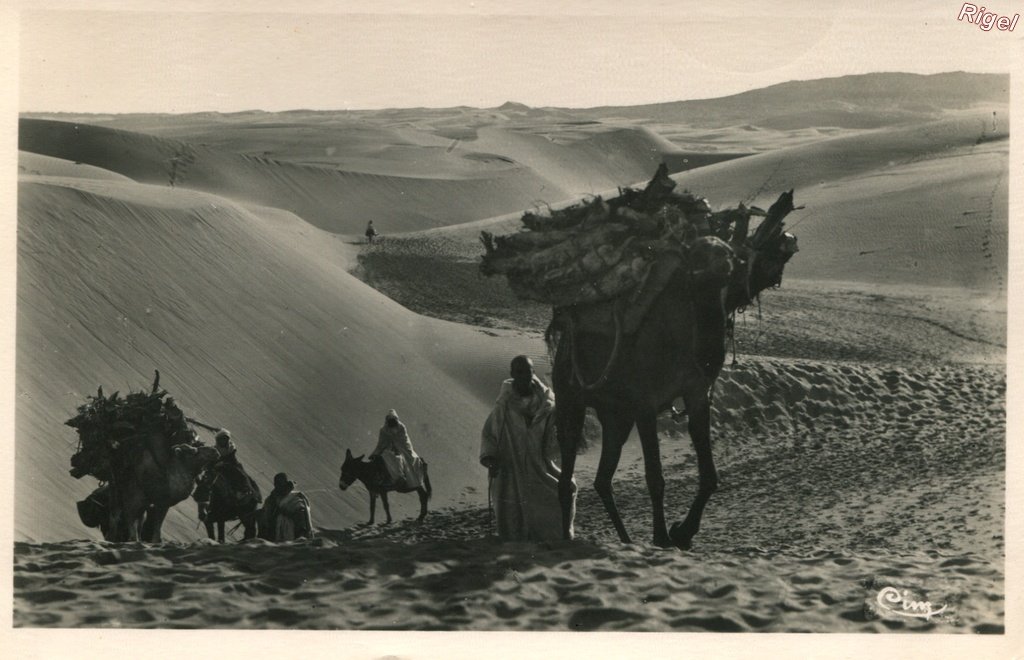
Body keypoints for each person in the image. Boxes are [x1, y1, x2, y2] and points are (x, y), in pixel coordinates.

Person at [480, 355, 576, 542]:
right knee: (512, 512)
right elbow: (489, 434)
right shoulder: (504, 405)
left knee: (565, 490)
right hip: (511, 467)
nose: (525, 376)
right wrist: (489, 458)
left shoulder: (548, 403)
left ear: (533, 373)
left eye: (529, 372)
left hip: (540, 464)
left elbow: (560, 432)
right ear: (512, 374)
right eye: (520, 372)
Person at [194, 429, 260, 521]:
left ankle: (244, 490)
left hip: (230, 466)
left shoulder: (231, 447)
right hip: (216, 468)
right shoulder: (215, 448)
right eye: (222, 439)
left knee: (239, 474)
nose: (223, 441)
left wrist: (222, 464)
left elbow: (230, 457)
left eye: (225, 439)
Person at [370, 409, 424, 488]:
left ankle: (401, 477)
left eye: (393, 420)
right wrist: (375, 453)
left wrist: (396, 446)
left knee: (400, 458)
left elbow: (403, 439)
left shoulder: (401, 427)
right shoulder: (383, 430)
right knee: (384, 456)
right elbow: (381, 443)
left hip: (402, 448)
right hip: (389, 449)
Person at [260, 473, 313, 541]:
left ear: (285, 483)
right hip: (274, 534)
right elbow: (265, 515)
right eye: (276, 483)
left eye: (280, 483)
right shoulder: (271, 499)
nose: (278, 485)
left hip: (293, 534)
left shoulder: (295, 498)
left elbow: (301, 517)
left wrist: (285, 512)